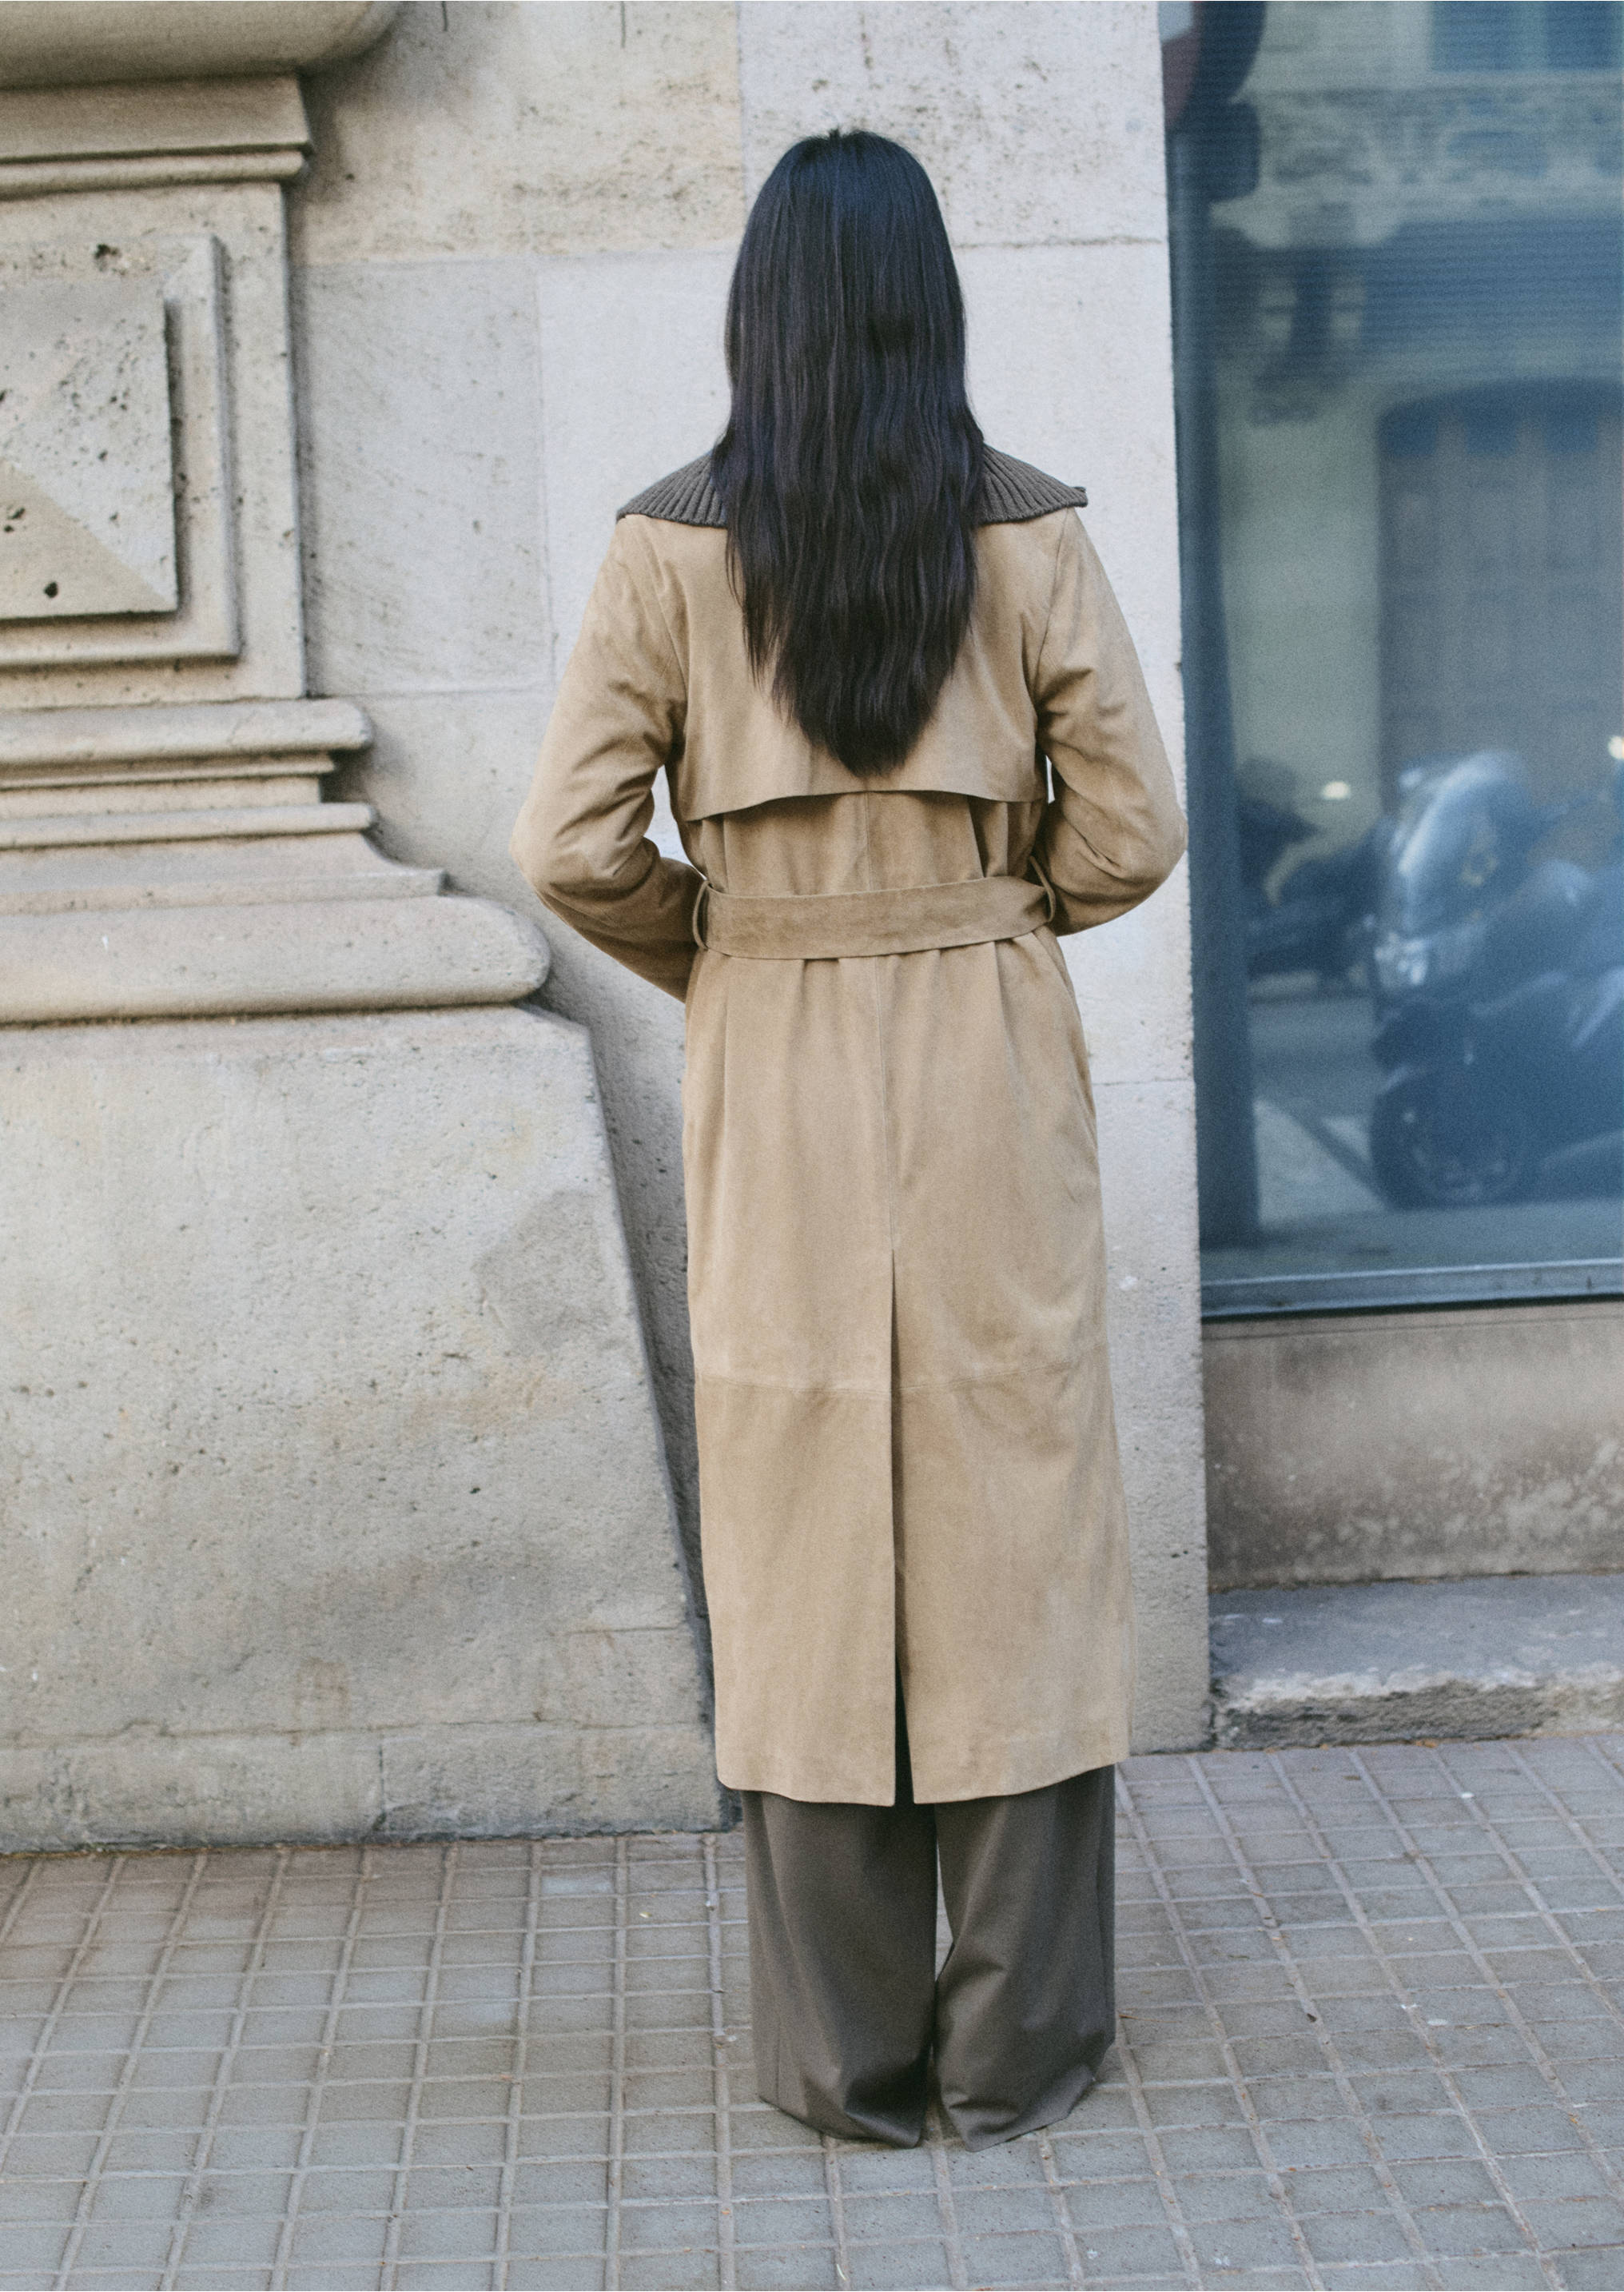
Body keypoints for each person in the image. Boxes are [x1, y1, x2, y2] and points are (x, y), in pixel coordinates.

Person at [511, 129, 1186, 2150]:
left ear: (762, 314)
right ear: (929, 305)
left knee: (798, 1509)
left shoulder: (666, 547)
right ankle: (1017, 2048)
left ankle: (844, 2059)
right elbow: (1132, 831)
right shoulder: (1030, 533)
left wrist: (733, 947)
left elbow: (567, 846)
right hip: (986, 1042)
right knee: (1018, 1503)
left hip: (776, 1053)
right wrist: (989, 917)